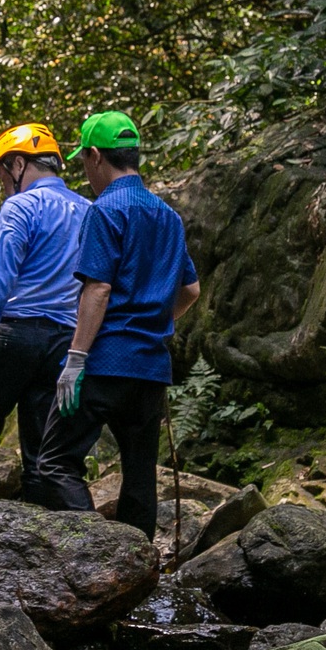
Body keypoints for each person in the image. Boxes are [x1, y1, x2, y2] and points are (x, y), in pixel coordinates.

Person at [40, 112, 200, 536]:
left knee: (55, 461)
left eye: (84, 162)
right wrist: (152, 323)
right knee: (140, 472)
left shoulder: (105, 209)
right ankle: (137, 566)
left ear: (95, 156)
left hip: (105, 362)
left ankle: (95, 547)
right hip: (150, 367)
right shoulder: (167, 215)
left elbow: (98, 290)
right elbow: (191, 291)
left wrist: (75, 359)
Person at [0, 123, 92, 501]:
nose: (4, 185)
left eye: (2, 175)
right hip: (63, 343)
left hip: (14, 335)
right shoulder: (89, 210)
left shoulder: (21, 206)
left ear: (19, 164)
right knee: (43, 454)